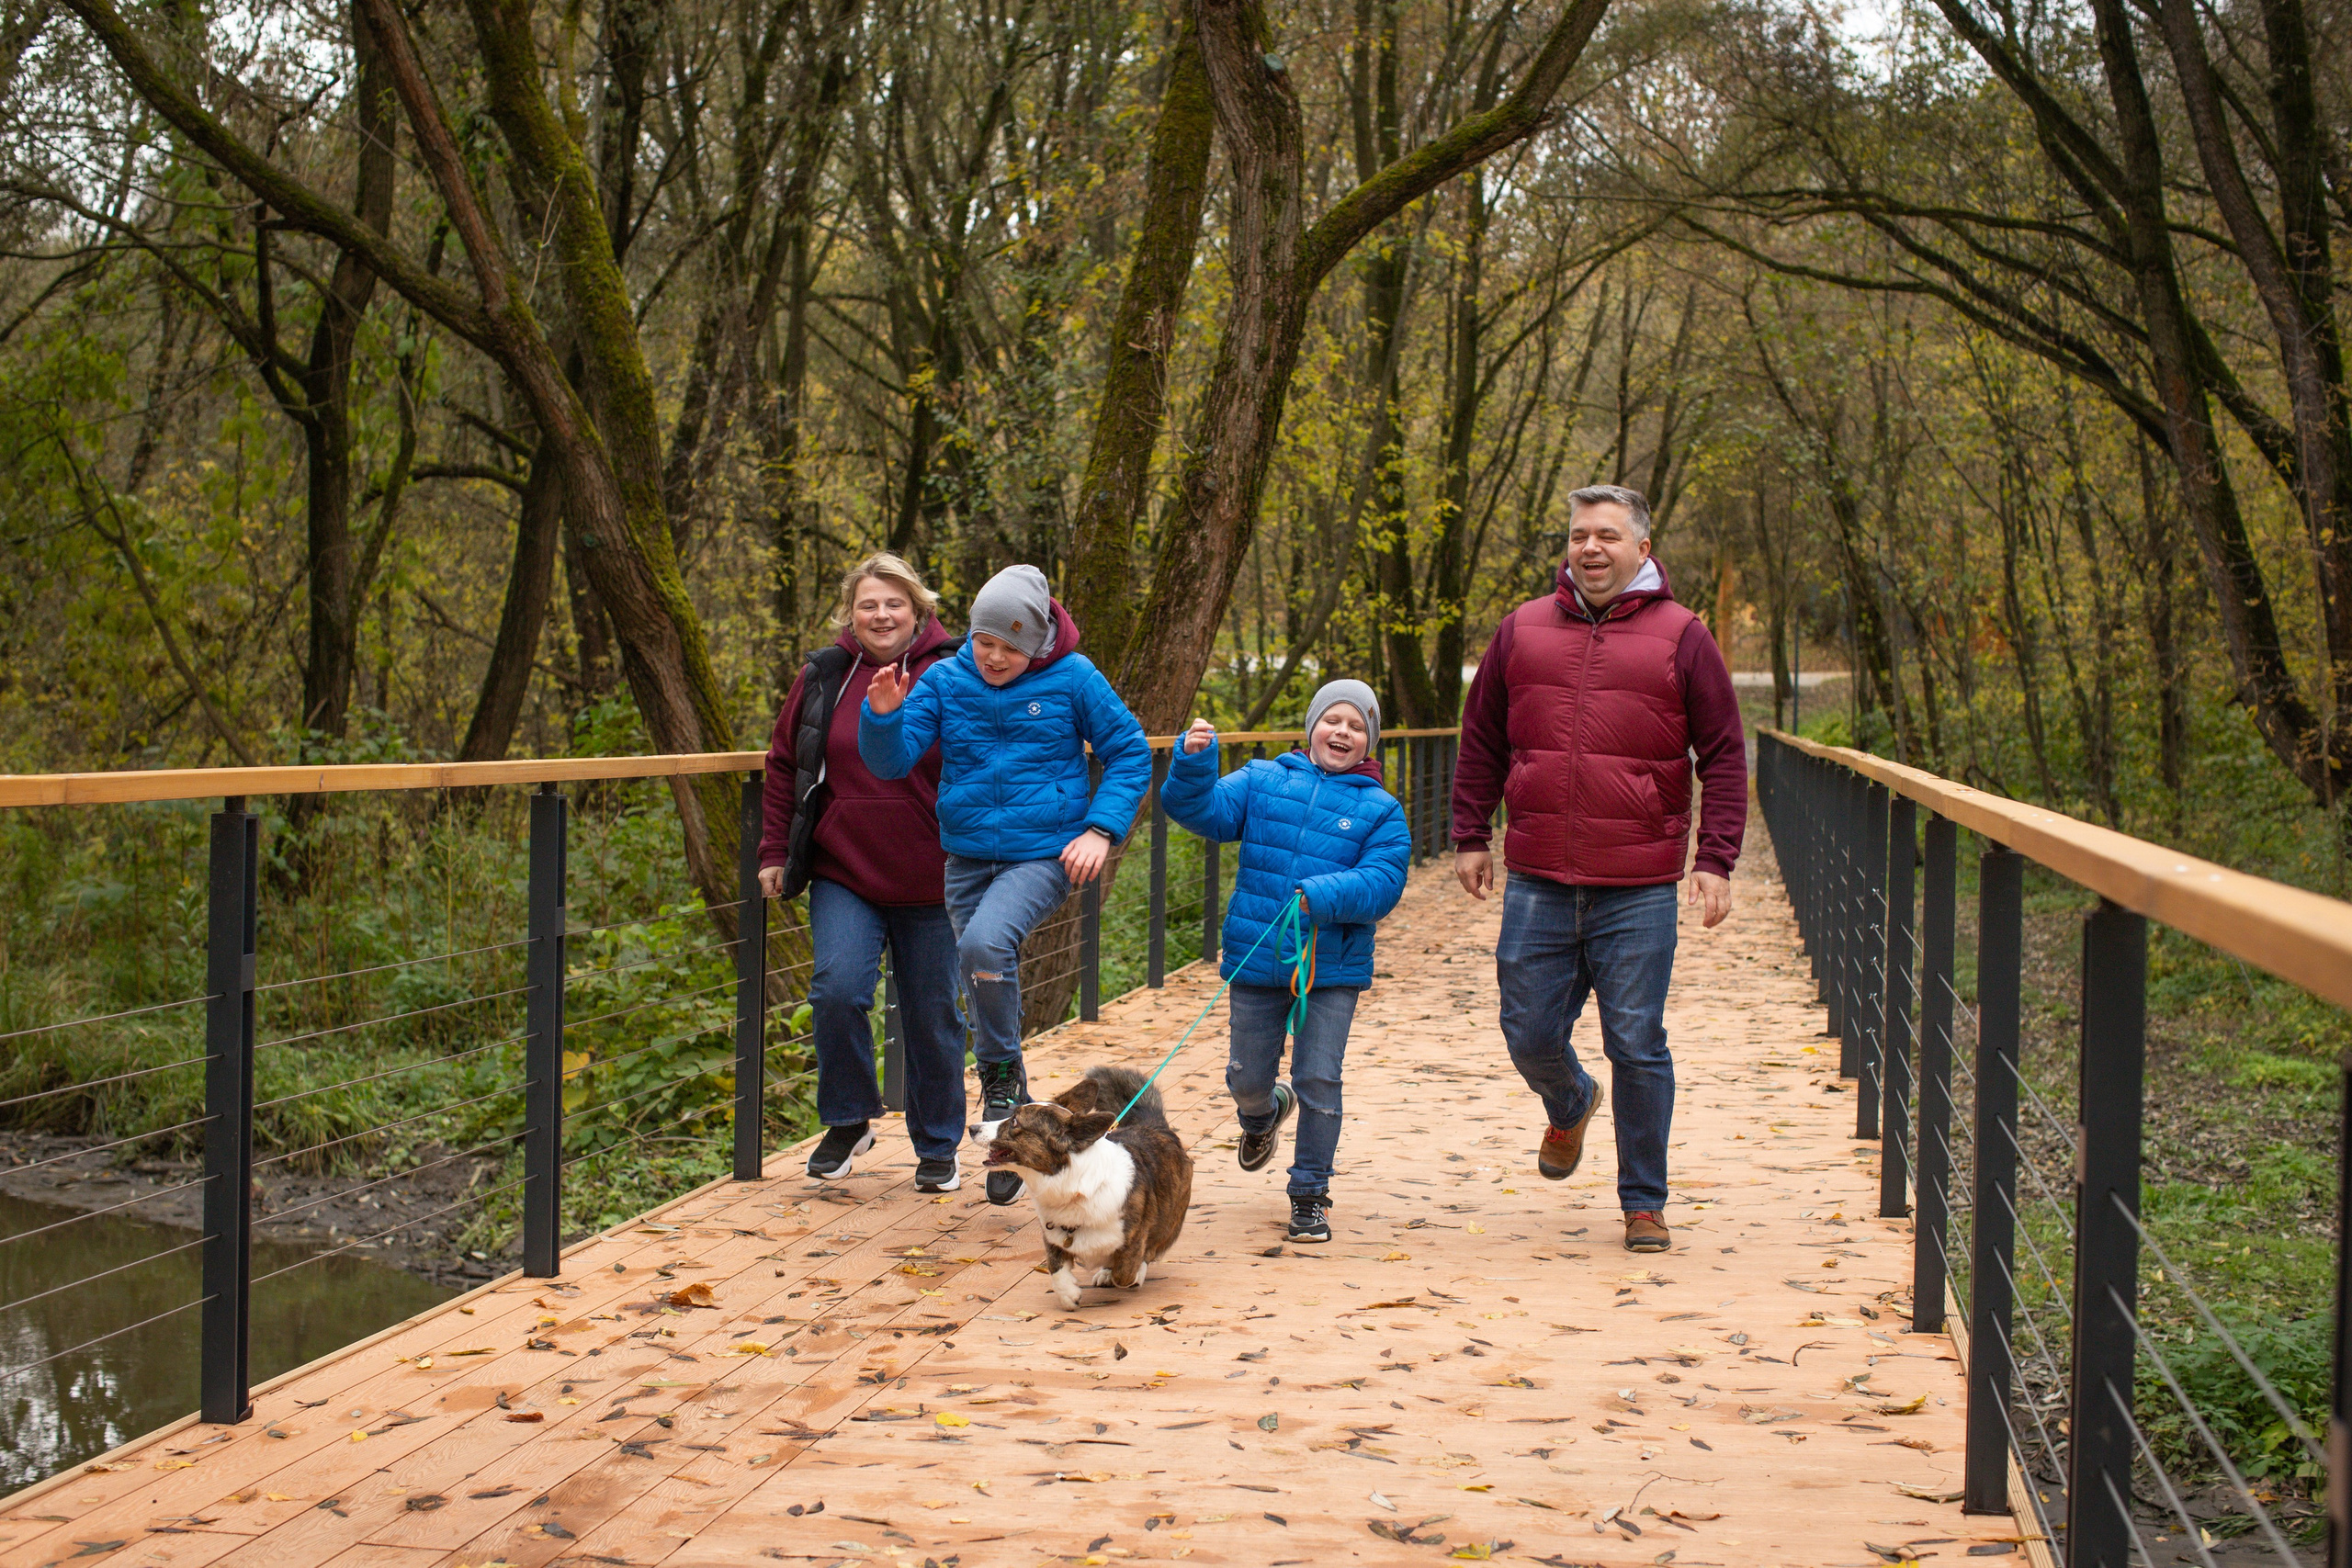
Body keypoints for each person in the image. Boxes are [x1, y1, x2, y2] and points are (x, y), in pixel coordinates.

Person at [1450, 484, 1747, 1255]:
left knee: (1638, 1041)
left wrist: (1715, 857)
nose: (1590, 548)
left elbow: (1722, 753)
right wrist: (1470, 831)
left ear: (1642, 550)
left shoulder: (1685, 636)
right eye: (1580, 534)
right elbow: (1481, 736)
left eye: (1608, 535)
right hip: (1541, 874)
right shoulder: (1522, 629)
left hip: (1640, 881)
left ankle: (1643, 1201)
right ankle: (1570, 1097)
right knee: (1526, 1029)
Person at [860, 563, 1152, 1204]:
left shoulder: (1074, 678)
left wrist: (1101, 829)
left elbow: (1130, 751)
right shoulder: (946, 678)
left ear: (1039, 641)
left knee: (984, 949)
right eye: (985, 641)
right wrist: (882, 716)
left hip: (1046, 854)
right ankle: (1013, 1135)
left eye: (1010, 646)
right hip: (966, 859)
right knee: (984, 974)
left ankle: (996, 1080)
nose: (994, 656)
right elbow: (893, 760)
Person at [1159, 682, 1410, 1244]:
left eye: (1356, 726)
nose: (1342, 732)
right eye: (1333, 720)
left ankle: (1310, 1192)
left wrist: (1324, 893)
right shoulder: (1263, 779)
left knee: (1319, 1076)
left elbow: (1386, 881)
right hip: (1258, 957)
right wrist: (1194, 764)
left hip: (1331, 966)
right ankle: (1261, 1114)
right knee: (1247, 1076)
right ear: (1311, 726)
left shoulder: (1381, 809)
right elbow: (1203, 813)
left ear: (1368, 741)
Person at [757, 554, 967, 1191]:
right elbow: (783, 764)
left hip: (934, 872)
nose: (881, 614)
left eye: (894, 603)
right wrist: (772, 851)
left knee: (932, 1013)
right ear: (851, 611)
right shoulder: (824, 676)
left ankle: (937, 1144)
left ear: (919, 608)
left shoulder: (955, 672)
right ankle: (850, 1118)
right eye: (868, 604)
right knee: (837, 989)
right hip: (843, 867)